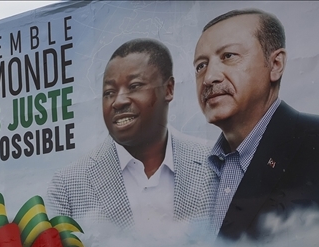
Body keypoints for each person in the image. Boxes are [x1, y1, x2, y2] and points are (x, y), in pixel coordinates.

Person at [193, 9, 319, 241]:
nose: (209, 78)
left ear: (275, 64)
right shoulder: (195, 173)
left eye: (228, 56)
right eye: (200, 66)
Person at [47, 39, 213, 231]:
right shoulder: (68, 186)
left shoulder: (213, 164)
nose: (118, 102)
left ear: (168, 89)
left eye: (134, 86)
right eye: (109, 92)